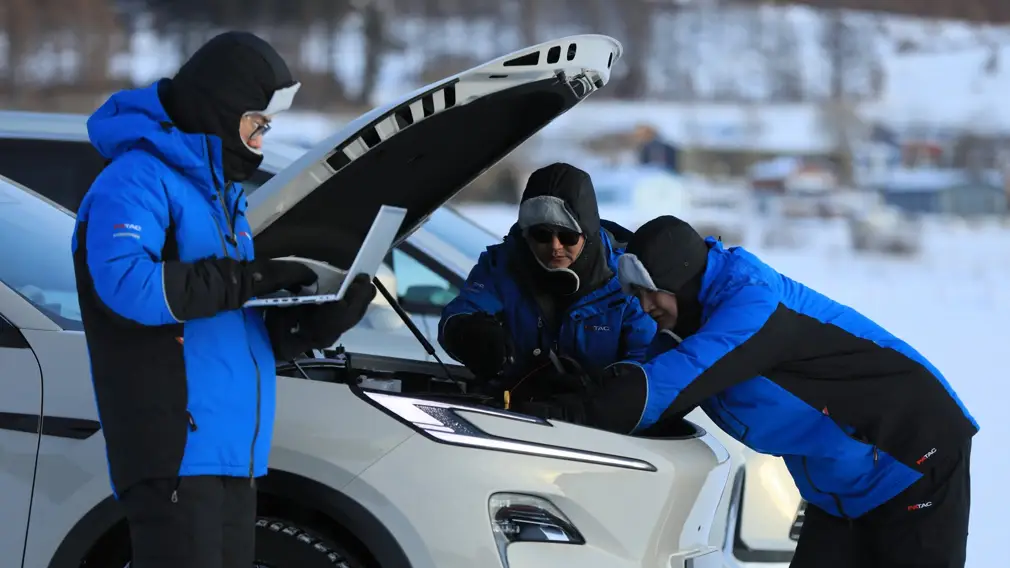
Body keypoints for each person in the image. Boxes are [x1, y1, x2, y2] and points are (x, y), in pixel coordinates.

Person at [71, 31, 376, 568]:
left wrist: (320, 323)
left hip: (235, 453)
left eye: (267, 128)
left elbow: (231, 330)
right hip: (176, 451)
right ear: (219, 111)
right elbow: (128, 287)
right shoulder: (136, 179)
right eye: (254, 124)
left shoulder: (222, 200)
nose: (260, 140)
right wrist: (253, 277)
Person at [545, 215, 977, 567]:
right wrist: (582, 387)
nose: (642, 305)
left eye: (647, 291)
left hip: (914, 454)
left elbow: (661, 388)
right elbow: (645, 372)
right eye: (634, 294)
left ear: (677, 278)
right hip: (843, 484)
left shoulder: (750, 307)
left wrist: (563, 415)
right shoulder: (694, 317)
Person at [437, 162, 656, 405]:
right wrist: (470, 334)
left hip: (600, 424)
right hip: (515, 411)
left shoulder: (626, 280)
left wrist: (600, 392)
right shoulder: (501, 265)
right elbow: (457, 315)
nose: (555, 247)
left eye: (568, 236)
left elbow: (647, 361)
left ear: (588, 233)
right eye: (541, 235)